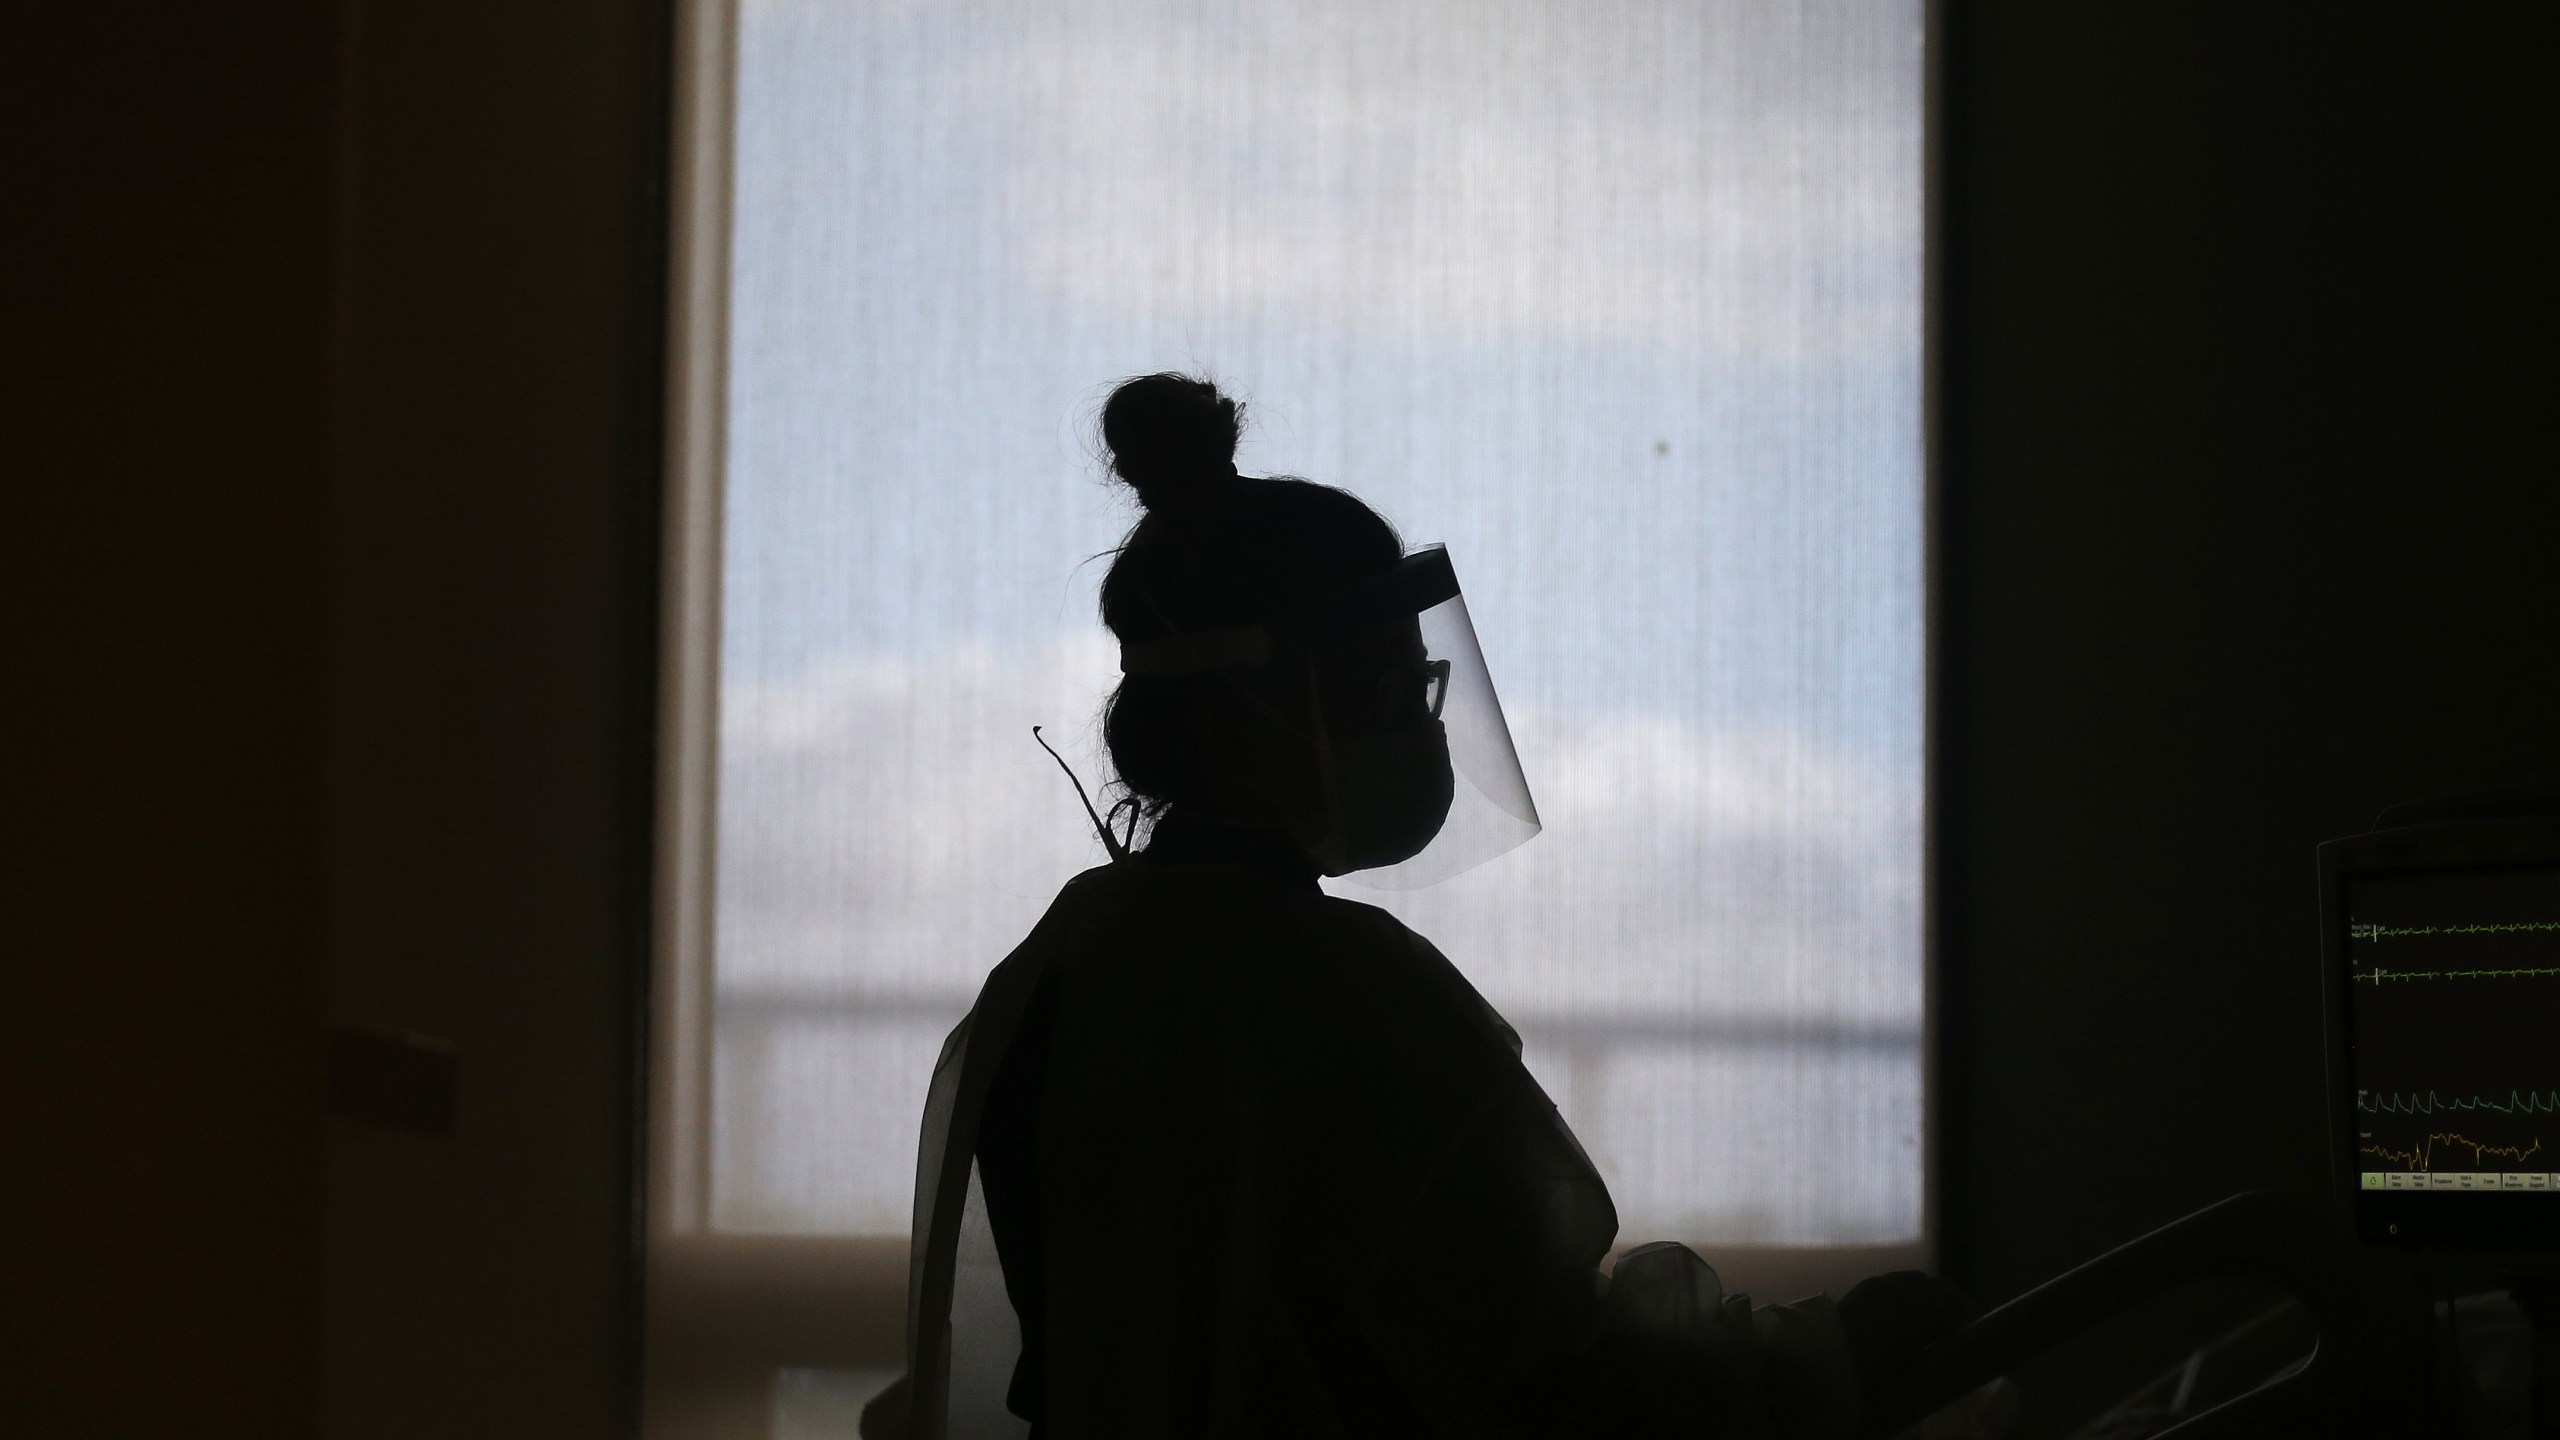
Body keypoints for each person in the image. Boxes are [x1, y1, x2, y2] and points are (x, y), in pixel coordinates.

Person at [866, 373, 1982, 1440]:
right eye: (1397, 692)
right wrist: (1838, 1356)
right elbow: (1555, 1381)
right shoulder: (1333, 993)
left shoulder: (1071, 962)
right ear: (1269, 709)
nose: (1423, 729)